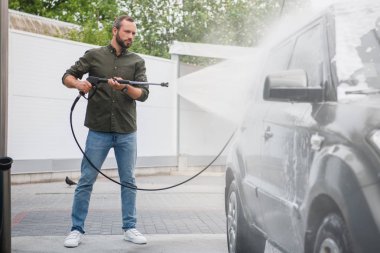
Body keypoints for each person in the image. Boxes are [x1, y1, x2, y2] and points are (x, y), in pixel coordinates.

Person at [62, 15, 149, 248]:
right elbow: (67, 76)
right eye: (127, 32)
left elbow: (143, 95)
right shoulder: (93, 56)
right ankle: (76, 229)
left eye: (133, 33)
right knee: (86, 180)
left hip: (126, 132)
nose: (131, 37)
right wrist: (78, 84)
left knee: (128, 180)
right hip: (97, 131)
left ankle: (130, 228)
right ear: (115, 31)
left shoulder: (137, 62)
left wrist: (124, 87)